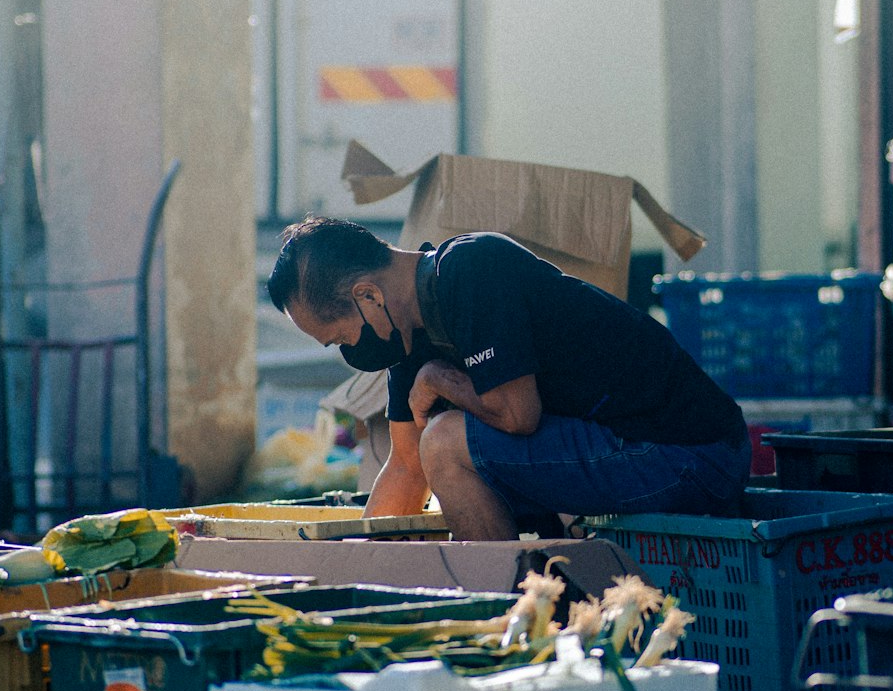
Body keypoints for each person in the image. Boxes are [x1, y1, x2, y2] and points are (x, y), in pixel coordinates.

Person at [268, 217, 751, 541]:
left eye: (340, 338)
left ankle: (501, 610)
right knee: (435, 448)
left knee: (446, 442)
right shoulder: (408, 337)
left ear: (368, 296)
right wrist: (351, 578)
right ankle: (524, 597)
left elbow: (518, 415)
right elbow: (405, 468)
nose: (350, 352)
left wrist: (442, 379)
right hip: (631, 451)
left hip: (689, 454)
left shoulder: (471, 270)